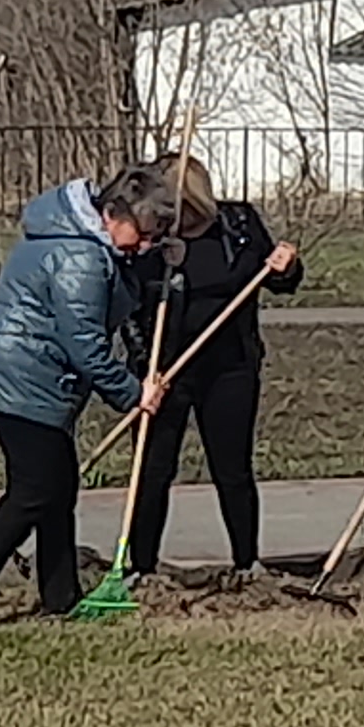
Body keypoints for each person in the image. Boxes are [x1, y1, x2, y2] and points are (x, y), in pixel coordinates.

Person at [0, 159, 186, 622]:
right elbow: (86, 347)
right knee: (33, 493)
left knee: (58, 489)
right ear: (114, 215)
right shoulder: (80, 259)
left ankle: (61, 597)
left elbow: (117, 305)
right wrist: (134, 394)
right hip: (21, 376)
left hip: (28, 373)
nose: (148, 246)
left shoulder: (86, 241)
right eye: (146, 234)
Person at [117, 157, 304, 583]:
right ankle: (140, 567)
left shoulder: (238, 226)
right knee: (152, 468)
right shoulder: (153, 243)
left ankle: (246, 562)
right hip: (164, 372)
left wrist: (287, 265)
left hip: (230, 366)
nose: (170, 219)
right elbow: (127, 309)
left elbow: (279, 280)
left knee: (232, 467)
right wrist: (146, 368)